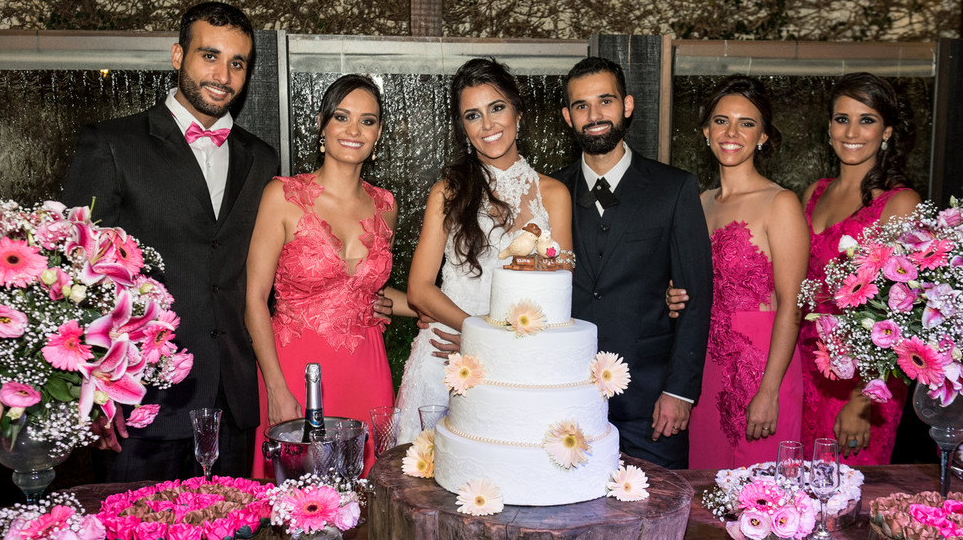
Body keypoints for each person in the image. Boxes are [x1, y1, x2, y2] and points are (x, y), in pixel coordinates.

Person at [62, 1, 279, 481]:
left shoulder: (261, 158)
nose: (223, 75)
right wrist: (93, 391)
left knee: (234, 531)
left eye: (237, 63)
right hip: (140, 403)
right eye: (209, 56)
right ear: (178, 56)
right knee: (131, 530)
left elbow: (264, 269)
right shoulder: (113, 144)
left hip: (231, 402)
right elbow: (76, 273)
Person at [396, 58, 574, 443]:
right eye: (473, 116)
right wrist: (474, 331)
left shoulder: (554, 195)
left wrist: (491, 342)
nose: (488, 124)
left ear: (518, 113)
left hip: (520, 359)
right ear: (464, 128)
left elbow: (559, 293)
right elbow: (419, 289)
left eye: (497, 108)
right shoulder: (447, 192)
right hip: (445, 355)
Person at [245, 75, 409, 479]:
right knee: (296, 496)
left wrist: (440, 311)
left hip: (367, 368)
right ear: (322, 124)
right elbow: (254, 299)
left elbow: (364, 288)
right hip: (296, 370)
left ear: (378, 133)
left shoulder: (386, 206)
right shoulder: (282, 197)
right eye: (342, 117)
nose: (354, 130)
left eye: (367, 121)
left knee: (368, 495)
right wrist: (276, 388)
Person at [552, 56, 712, 470]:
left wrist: (680, 391)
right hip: (566, 401)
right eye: (582, 106)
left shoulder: (674, 188)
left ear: (627, 105)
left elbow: (695, 297)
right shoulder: (550, 192)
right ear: (568, 117)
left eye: (605, 101)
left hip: (653, 407)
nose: (594, 115)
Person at [671, 76, 809, 469]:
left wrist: (770, 389)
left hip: (763, 363)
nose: (731, 133)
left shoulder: (780, 202)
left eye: (746, 123)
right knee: (707, 485)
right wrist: (673, 295)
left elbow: (792, 305)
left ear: (762, 136)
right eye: (721, 121)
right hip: (707, 365)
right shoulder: (698, 203)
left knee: (763, 489)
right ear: (705, 131)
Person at [799, 72, 921, 465]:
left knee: (848, 489)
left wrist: (863, 400)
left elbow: (906, 314)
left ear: (887, 131)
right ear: (829, 127)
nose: (852, 132)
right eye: (842, 119)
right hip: (804, 365)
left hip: (863, 376)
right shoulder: (814, 192)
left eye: (866, 120)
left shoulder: (900, 203)